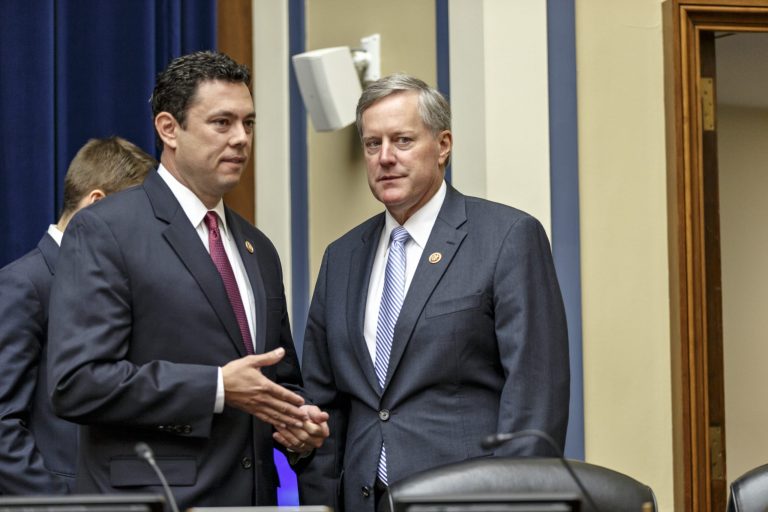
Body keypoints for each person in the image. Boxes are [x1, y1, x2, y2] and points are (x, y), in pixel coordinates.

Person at [47, 51, 328, 508]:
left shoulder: (259, 248)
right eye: (222, 123)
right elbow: (77, 383)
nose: (241, 139)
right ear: (168, 129)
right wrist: (215, 387)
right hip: (154, 499)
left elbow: (275, 379)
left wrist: (297, 424)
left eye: (249, 123)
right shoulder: (106, 229)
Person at [297, 74, 570, 511]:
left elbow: (534, 398)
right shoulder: (341, 258)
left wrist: (515, 503)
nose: (385, 158)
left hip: (466, 502)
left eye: (402, 140)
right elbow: (322, 403)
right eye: (372, 144)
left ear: (443, 145)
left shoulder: (507, 238)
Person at [0, 136, 156, 494]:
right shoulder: (23, 284)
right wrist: (60, 505)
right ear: (95, 204)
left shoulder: (117, 287)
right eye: (135, 217)